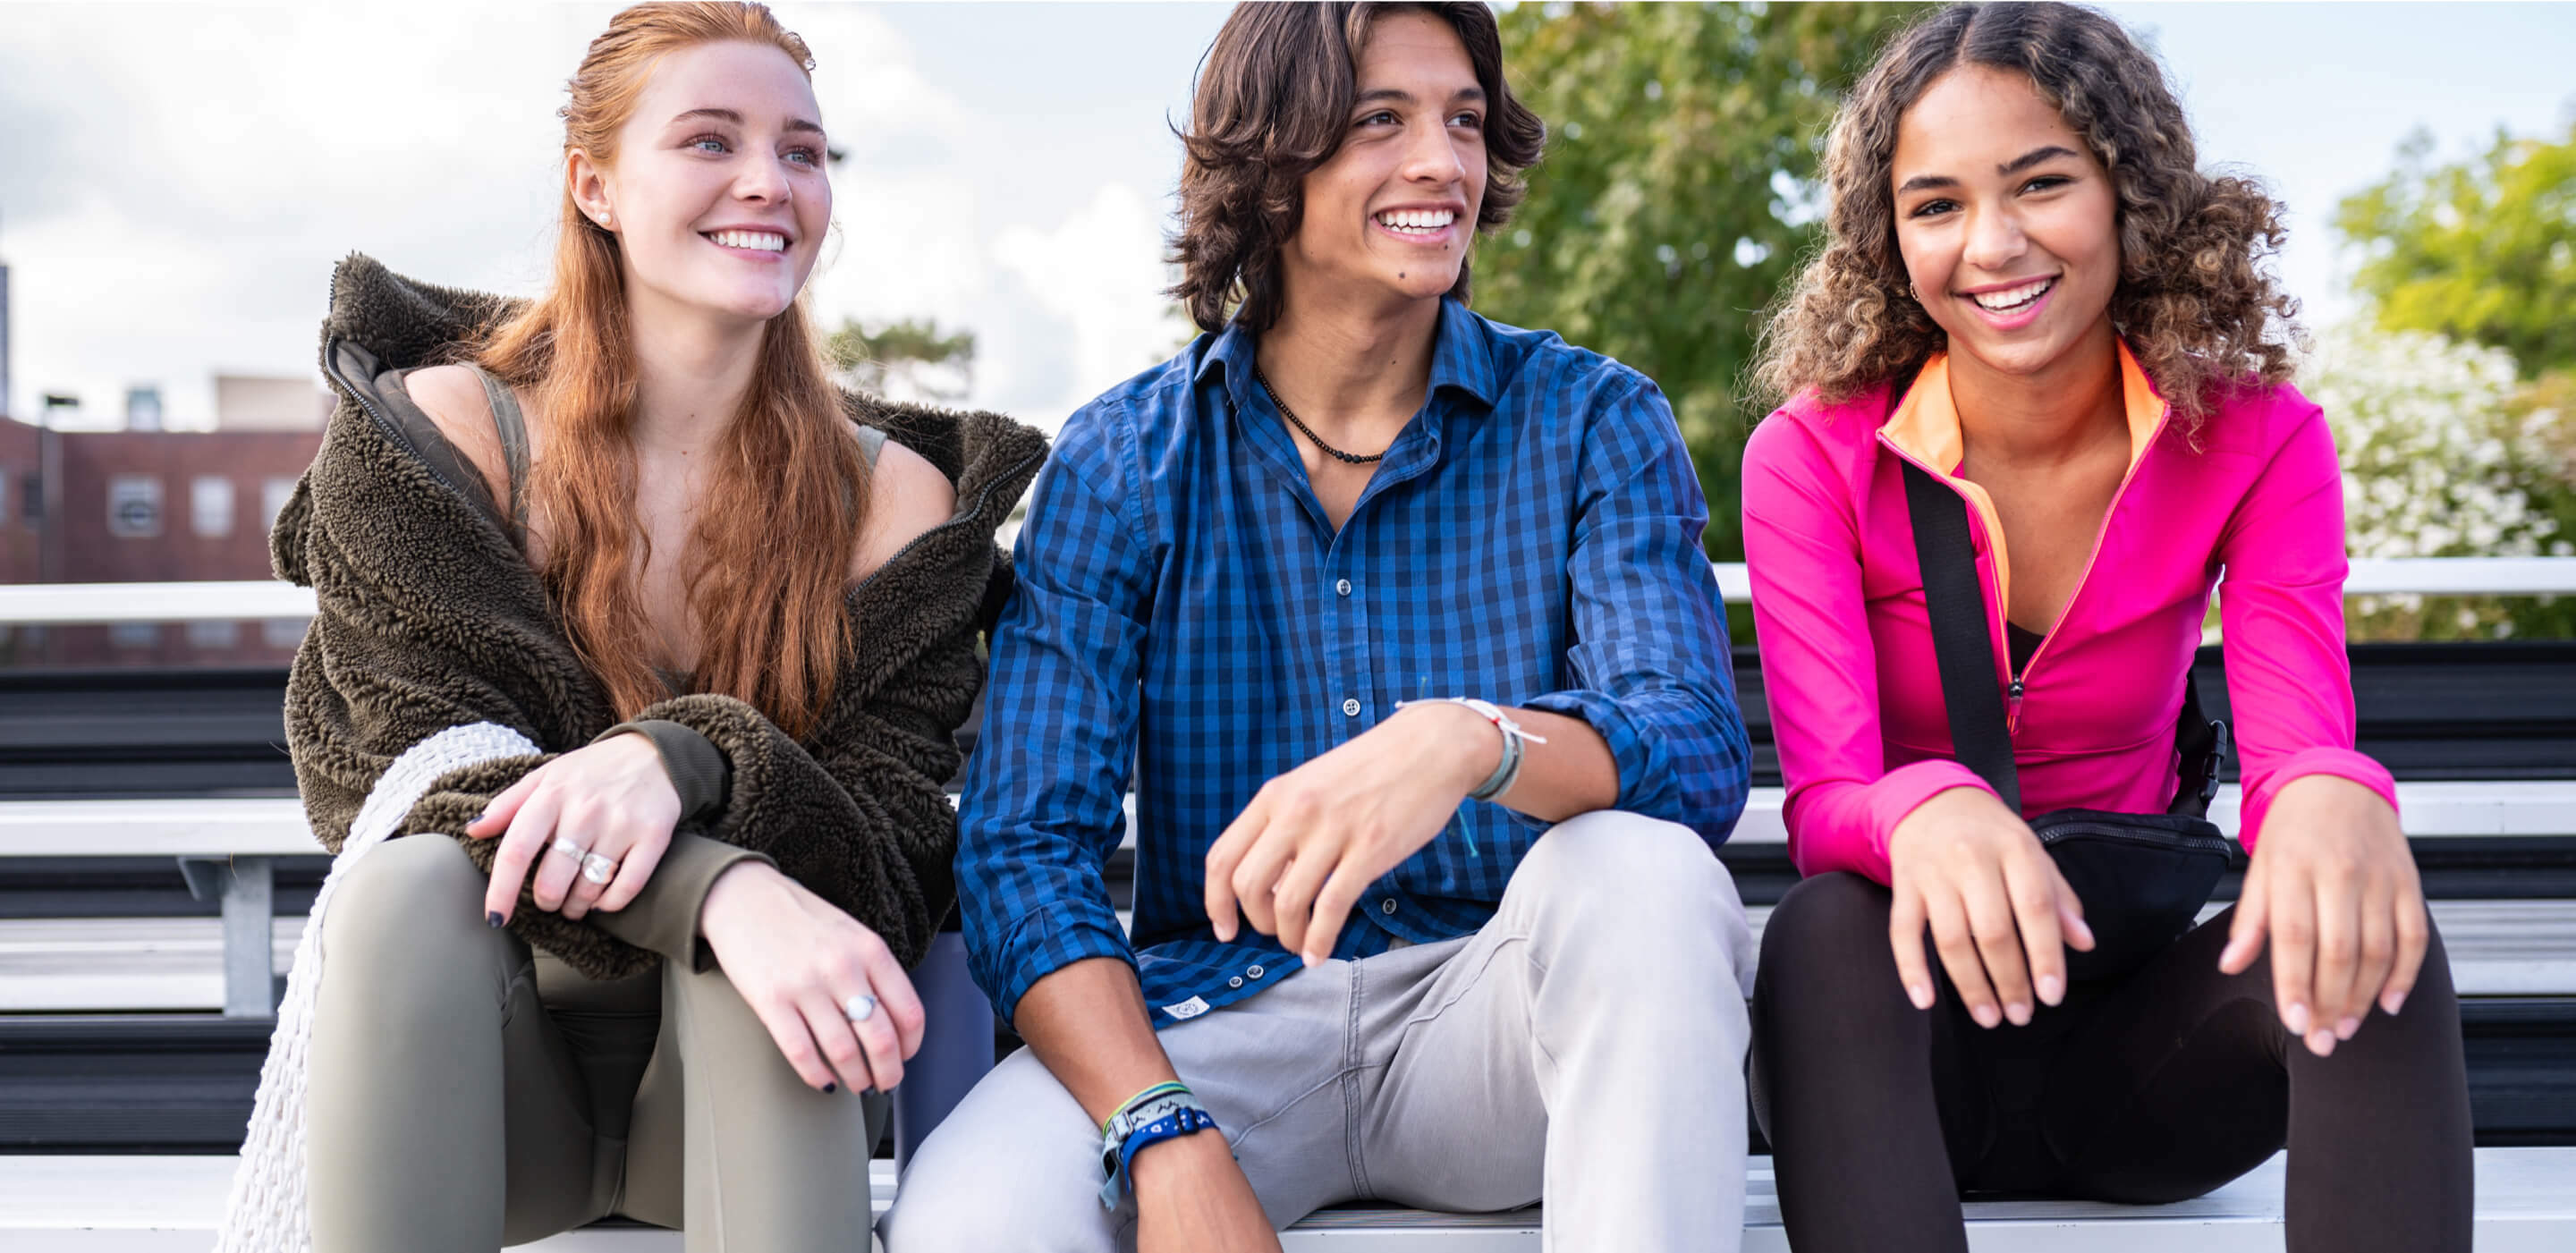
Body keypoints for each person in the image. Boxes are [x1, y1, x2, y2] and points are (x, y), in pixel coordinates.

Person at [878, 4, 1757, 1251]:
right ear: (1269, 166)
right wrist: (1158, 1126)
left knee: (1646, 875)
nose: (1442, 163)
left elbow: (1692, 747)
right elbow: (1026, 851)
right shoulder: (1124, 461)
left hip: (1500, 1022)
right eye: (1378, 122)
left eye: (1462, 121)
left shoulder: (1590, 421)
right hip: (1216, 1033)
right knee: (969, 1221)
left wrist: (1467, 740)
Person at [215, 4, 1046, 1250]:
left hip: (746, 1075)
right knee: (407, 888)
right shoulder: (439, 437)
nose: (769, 182)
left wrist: (685, 760)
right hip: (479, 1071)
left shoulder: (892, 498)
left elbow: (889, 851)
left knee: (781, 938)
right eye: (710, 141)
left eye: (804, 152)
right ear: (594, 184)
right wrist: (717, 884)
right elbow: (409, 781)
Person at [1739, 4, 2474, 1249]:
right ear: (1888, 237)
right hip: (1901, 1061)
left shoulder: (2255, 435)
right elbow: (1826, 800)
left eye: (2041, 183)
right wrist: (1924, 805)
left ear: (2128, 192)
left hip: (2140, 1064)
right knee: (1820, 929)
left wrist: (2336, 794)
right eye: (1937, 205)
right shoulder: (1811, 456)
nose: (1994, 244)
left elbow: (2297, 738)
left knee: (2372, 926)